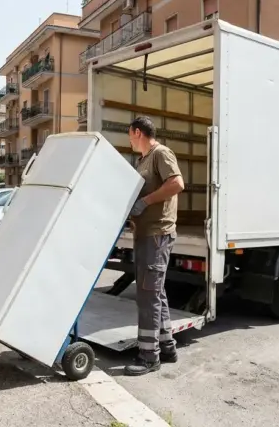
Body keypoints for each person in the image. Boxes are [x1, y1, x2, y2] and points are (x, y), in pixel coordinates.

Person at [125, 116, 185, 376]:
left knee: (148, 294)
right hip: (145, 234)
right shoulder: (142, 161)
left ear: (138, 132)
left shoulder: (161, 153)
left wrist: (145, 202)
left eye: (130, 134)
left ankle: (149, 357)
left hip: (157, 234)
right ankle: (167, 347)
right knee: (156, 293)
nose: (129, 140)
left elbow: (177, 183)